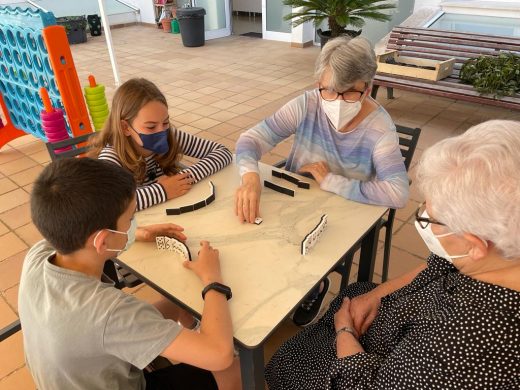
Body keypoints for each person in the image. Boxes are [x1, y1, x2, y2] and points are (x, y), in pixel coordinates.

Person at [265, 119, 520, 389]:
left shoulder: (464, 343)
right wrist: (378, 294)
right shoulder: (495, 257)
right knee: (354, 292)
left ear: (475, 245)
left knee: (285, 362)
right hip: (389, 325)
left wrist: (344, 330)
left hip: (361, 367)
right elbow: (437, 266)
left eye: (432, 219)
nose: (423, 217)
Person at [19, 158, 241, 390]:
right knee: (231, 367)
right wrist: (212, 278)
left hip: (74, 374)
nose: (134, 224)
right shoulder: (109, 313)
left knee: (175, 303)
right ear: (103, 240)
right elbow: (219, 354)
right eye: (131, 219)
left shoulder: (38, 255)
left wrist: (136, 234)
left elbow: (82, 236)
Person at [234, 36, 409, 326]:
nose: (336, 102)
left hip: (346, 208)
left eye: (350, 93)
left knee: (308, 249)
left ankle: (315, 286)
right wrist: (250, 176)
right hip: (297, 196)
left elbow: (398, 193)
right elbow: (251, 139)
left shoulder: (380, 126)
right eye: (328, 90)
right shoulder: (307, 103)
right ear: (319, 83)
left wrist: (332, 181)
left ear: (368, 86)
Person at [89, 78, 233, 211]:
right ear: (126, 127)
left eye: (165, 122)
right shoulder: (111, 157)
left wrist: (182, 179)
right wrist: (164, 190)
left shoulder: (171, 135)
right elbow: (111, 203)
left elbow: (223, 152)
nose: (162, 131)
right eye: (151, 127)